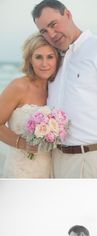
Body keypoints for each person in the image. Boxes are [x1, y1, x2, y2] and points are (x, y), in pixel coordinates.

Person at [32, 0, 97, 179]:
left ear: (68, 14)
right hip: (57, 159)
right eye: (44, 32)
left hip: (89, 158)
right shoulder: (55, 60)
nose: (52, 34)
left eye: (53, 24)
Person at [0, 34, 60, 178]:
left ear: (57, 60)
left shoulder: (56, 89)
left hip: (51, 168)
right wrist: (22, 144)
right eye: (38, 57)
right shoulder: (18, 86)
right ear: (30, 60)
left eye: (50, 57)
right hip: (22, 169)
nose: (44, 64)